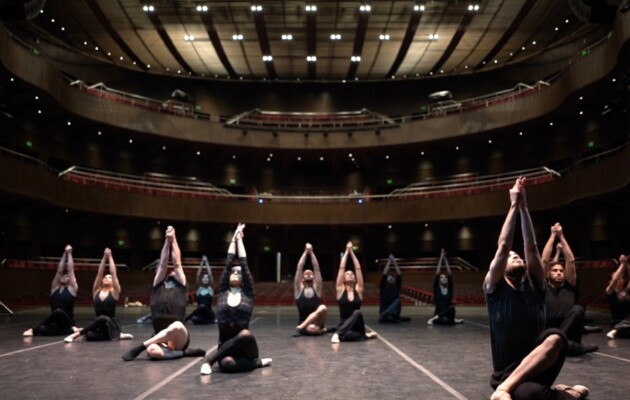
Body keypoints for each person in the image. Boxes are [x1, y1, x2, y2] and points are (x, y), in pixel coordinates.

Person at [484, 177, 588, 400]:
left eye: (517, 255)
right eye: (512, 257)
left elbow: (530, 246)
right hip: (506, 372)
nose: (516, 255)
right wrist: (513, 205)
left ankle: (505, 390)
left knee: (556, 337)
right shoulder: (495, 289)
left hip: (539, 365)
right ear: (501, 268)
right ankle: (566, 393)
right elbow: (503, 247)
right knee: (531, 396)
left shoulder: (535, 284)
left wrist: (524, 208)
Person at [122, 226, 205, 361]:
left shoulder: (181, 287)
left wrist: (173, 238)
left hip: (178, 337)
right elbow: (162, 264)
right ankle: (183, 353)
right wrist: (166, 241)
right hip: (159, 335)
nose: (172, 271)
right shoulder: (157, 287)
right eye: (170, 272)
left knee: (176, 326)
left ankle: (140, 347)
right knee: (153, 351)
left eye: (174, 272)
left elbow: (177, 263)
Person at [200, 223, 272, 374]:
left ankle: (208, 361)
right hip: (225, 346)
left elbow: (244, 264)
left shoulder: (248, 293)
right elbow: (228, 262)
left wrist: (240, 240)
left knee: (245, 334)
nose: (234, 273)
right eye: (233, 272)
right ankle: (256, 364)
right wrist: (234, 237)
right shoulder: (223, 293)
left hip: (247, 347)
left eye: (237, 273)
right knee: (227, 364)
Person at [542, 223, 597, 355]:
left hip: (568, 335)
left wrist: (561, 236)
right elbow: (544, 260)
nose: (559, 272)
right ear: (548, 274)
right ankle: (562, 343)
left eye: (561, 270)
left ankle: (562, 343)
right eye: (554, 270)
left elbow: (570, 261)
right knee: (567, 347)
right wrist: (552, 236)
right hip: (549, 333)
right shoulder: (543, 287)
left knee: (578, 309)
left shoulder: (569, 286)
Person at [64, 248, 133, 342]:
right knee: (89, 335)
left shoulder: (114, 292)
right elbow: (99, 274)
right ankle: (117, 335)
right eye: (105, 277)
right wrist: (104, 257)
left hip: (111, 324)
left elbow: (113, 273)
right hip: (99, 325)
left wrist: (110, 256)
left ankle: (75, 335)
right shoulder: (96, 291)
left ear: (113, 282)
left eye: (109, 278)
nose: (106, 278)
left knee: (102, 318)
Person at [23, 245, 79, 337]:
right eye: (64, 276)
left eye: (67, 276)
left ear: (70, 280)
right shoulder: (54, 288)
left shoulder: (72, 289)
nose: (65, 276)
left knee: (58, 311)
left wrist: (69, 254)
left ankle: (33, 329)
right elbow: (59, 271)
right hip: (55, 323)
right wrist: (64, 254)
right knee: (43, 329)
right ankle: (71, 331)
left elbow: (70, 270)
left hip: (67, 321)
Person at [330, 241, 377, 343]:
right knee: (351, 336)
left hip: (357, 325)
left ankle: (339, 334)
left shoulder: (359, 289)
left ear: (355, 278)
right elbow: (341, 268)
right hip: (344, 325)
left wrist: (352, 252)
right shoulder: (340, 289)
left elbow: (358, 268)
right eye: (347, 274)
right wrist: (347, 251)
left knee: (357, 313)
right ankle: (341, 334)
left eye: (352, 274)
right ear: (343, 278)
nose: (350, 274)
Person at [292, 243, 328, 336]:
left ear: (314, 278)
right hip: (305, 323)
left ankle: (299, 328)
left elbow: (316, 268)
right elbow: (299, 268)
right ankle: (319, 330)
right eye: (306, 273)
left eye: (310, 273)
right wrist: (305, 252)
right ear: (302, 279)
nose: (308, 273)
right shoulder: (298, 289)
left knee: (323, 308)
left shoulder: (317, 288)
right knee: (312, 329)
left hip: (317, 322)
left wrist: (311, 252)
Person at [428, 249, 463, 325]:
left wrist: (445, 259)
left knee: (451, 308)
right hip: (439, 315)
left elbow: (449, 273)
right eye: (442, 277)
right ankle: (435, 318)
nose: (444, 278)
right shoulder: (437, 288)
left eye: (445, 277)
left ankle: (452, 320)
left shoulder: (449, 289)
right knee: (443, 320)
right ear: (439, 280)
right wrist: (441, 257)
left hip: (448, 316)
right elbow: (437, 273)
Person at [378, 253, 411, 323]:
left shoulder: (396, 286)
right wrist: (389, 261)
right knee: (397, 302)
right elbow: (384, 274)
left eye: (392, 277)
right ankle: (386, 315)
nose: (391, 278)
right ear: (386, 279)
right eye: (389, 277)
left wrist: (394, 261)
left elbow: (399, 274)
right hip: (384, 311)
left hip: (393, 313)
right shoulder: (383, 286)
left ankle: (391, 316)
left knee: (397, 301)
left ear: (394, 280)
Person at [185, 255, 217, 325]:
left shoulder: (210, 289)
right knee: (194, 319)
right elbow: (198, 275)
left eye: (207, 278)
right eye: (204, 277)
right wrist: (202, 263)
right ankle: (211, 322)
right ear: (201, 280)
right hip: (200, 315)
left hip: (209, 314)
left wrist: (207, 262)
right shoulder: (199, 289)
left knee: (202, 306)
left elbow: (210, 275)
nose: (205, 278)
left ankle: (186, 319)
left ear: (208, 280)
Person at [604, 254, 630, 339]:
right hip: (617, 323)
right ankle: (616, 330)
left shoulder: (627, 290)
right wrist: (622, 264)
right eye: (617, 279)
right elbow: (615, 279)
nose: (619, 280)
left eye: (621, 278)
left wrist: (627, 264)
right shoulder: (610, 292)